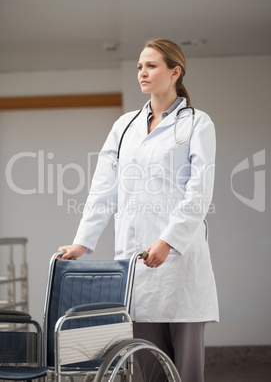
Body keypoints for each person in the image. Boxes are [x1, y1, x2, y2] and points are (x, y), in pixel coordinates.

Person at [59, 38, 219, 382]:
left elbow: (199, 192)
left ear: (175, 72)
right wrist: (82, 242)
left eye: (151, 66)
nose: (142, 73)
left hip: (181, 264)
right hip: (138, 267)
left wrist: (168, 241)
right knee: (146, 369)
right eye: (139, 67)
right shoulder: (124, 126)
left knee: (186, 372)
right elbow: (104, 188)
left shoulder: (197, 123)